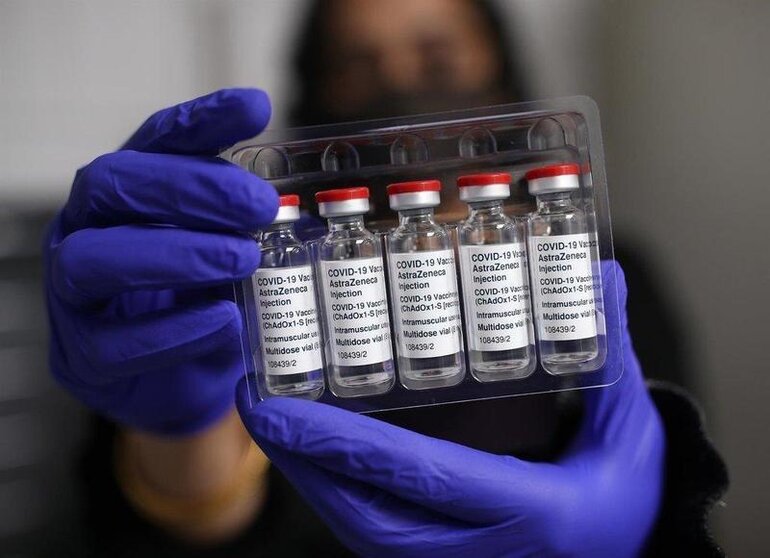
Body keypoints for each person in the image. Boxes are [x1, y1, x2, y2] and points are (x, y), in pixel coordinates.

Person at [43, 1, 726, 556]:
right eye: (359, 63)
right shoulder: (246, 274)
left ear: (499, 65)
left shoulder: (602, 265)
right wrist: (180, 432)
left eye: (436, 52)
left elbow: (687, 488)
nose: (401, 79)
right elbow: (187, 531)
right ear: (319, 89)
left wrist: (638, 537)